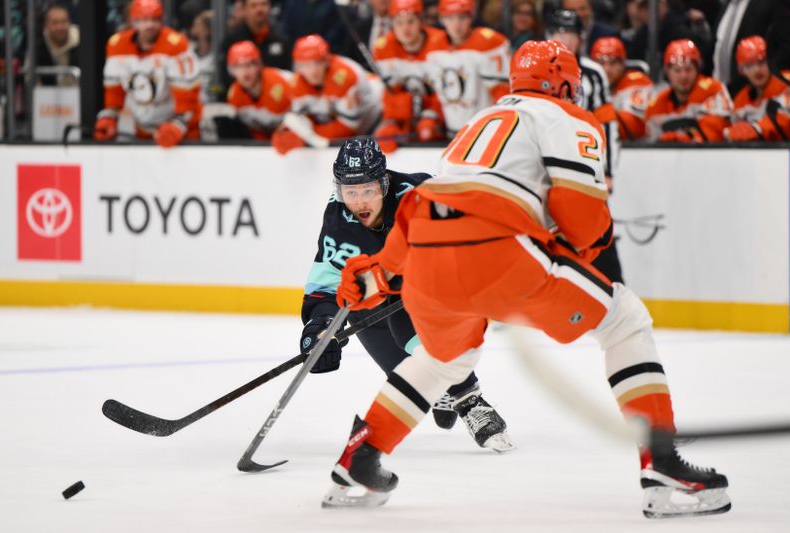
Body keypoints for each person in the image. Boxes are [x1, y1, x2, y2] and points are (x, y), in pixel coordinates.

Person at [322, 40, 731, 520]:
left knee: (443, 359)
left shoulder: (481, 118)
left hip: (424, 243)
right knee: (625, 321)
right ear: (562, 83)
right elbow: (582, 223)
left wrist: (380, 273)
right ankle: (663, 466)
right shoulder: (568, 117)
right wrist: (576, 246)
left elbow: (424, 205)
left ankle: (360, 460)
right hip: (497, 245)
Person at [302, 136, 513, 451]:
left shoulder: (419, 197)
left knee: (414, 333)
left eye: (368, 191)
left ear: (384, 184)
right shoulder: (338, 220)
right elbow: (326, 283)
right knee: (406, 371)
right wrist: (320, 326)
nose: (360, 202)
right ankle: (440, 386)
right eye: (351, 192)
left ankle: (470, 401)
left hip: (425, 295)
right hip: (374, 301)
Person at [547, 9, 622, 284]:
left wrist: (608, 170)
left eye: (570, 33)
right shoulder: (542, 71)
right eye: (557, 32)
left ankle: (614, 289)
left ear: (581, 37)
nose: (564, 39)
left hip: (584, 167)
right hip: (550, 170)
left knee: (596, 229)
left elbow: (607, 124)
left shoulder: (592, 73)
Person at [94, 0, 202, 148]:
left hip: (181, 130)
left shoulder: (176, 45)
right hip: (142, 128)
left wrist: (178, 125)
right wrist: (109, 117)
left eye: (155, 19)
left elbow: (188, 96)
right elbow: (114, 92)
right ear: (133, 21)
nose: (150, 25)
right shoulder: (117, 46)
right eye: (144, 20)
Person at [271, 34, 382, 154]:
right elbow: (301, 119)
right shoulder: (295, 85)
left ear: (327, 60)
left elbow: (348, 129)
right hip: (344, 124)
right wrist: (289, 132)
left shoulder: (346, 77)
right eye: (306, 65)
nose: (313, 70)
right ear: (297, 67)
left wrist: (307, 136)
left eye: (317, 62)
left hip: (376, 118)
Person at [424, 0, 511, 138]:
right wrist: (431, 118)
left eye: (462, 17)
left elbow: (503, 94)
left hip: (484, 133)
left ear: (471, 17)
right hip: (451, 134)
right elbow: (438, 93)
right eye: (450, 18)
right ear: (441, 19)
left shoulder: (489, 43)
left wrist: (500, 128)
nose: (456, 25)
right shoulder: (433, 47)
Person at [372, 0, 447, 152]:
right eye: (399, 23)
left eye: (411, 21)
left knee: (427, 132)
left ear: (421, 21)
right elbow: (390, 91)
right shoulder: (383, 47)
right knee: (384, 138)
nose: (405, 28)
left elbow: (448, 88)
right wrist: (392, 120)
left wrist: (432, 114)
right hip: (404, 113)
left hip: (438, 111)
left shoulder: (441, 42)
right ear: (392, 24)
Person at [647, 39, 732, 142]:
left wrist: (689, 138)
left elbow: (716, 126)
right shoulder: (657, 102)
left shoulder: (713, 89)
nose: (683, 76)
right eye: (677, 70)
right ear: (667, 72)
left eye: (688, 69)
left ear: (697, 69)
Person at [712, 0, 790, 97]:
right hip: (720, 90)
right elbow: (717, 45)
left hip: (758, 92)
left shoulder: (774, 2)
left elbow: (789, 45)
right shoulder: (727, 4)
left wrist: (765, 76)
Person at [724, 36, 790, 142]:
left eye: (761, 62)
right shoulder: (741, 99)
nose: (757, 69)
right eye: (749, 65)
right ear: (742, 70)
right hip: (758, 156)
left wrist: (757, 129)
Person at [219, 0, 292, 91]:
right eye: (254, 5)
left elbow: (288, 73)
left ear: (270, 7)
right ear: (245, 9)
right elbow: (225, 74)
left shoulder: (281, 39)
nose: (259, 9)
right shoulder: (232, 40)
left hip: (276, 96)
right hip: (242, 98)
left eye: (264, 4)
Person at [225, 40, 291, 140]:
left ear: (258, 65)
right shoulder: (234, 96)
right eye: (238, 67)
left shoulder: (282, 82)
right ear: (231, 71)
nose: (245, 72)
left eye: (249, 65)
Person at [591, 36, 653, 140]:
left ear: (623, 63)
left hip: (635, 151)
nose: (607, 69)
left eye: (613, 62)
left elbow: (633, 127)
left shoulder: (637, 81)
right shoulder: (587, 84)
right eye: (601, 63)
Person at [36, 2, 80, 87]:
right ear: (46, 25)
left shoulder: (82, 42)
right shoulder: (38, 45)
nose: (60, 27)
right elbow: (30, 80)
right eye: (55, 23)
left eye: (64, 22)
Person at [190, 10, 216, 103]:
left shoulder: (215, 56)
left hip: (210, 103)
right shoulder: (189, 50)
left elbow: (218, 88)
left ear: (207, 29)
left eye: (198, 24)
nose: (194, 26)